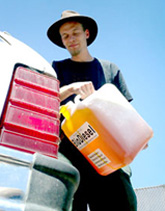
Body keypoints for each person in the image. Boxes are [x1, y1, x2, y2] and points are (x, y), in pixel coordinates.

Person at [47, 10, 137, 211]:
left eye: (75, 33)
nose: (71, 39)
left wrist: (135, 136)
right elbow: (47, 100)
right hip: (70, 157)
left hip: (106, 157)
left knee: (122, 203)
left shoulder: (109, 69)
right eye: (65, 36)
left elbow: (126, 113)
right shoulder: (57, 69)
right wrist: (71, 88)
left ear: (86, 34)